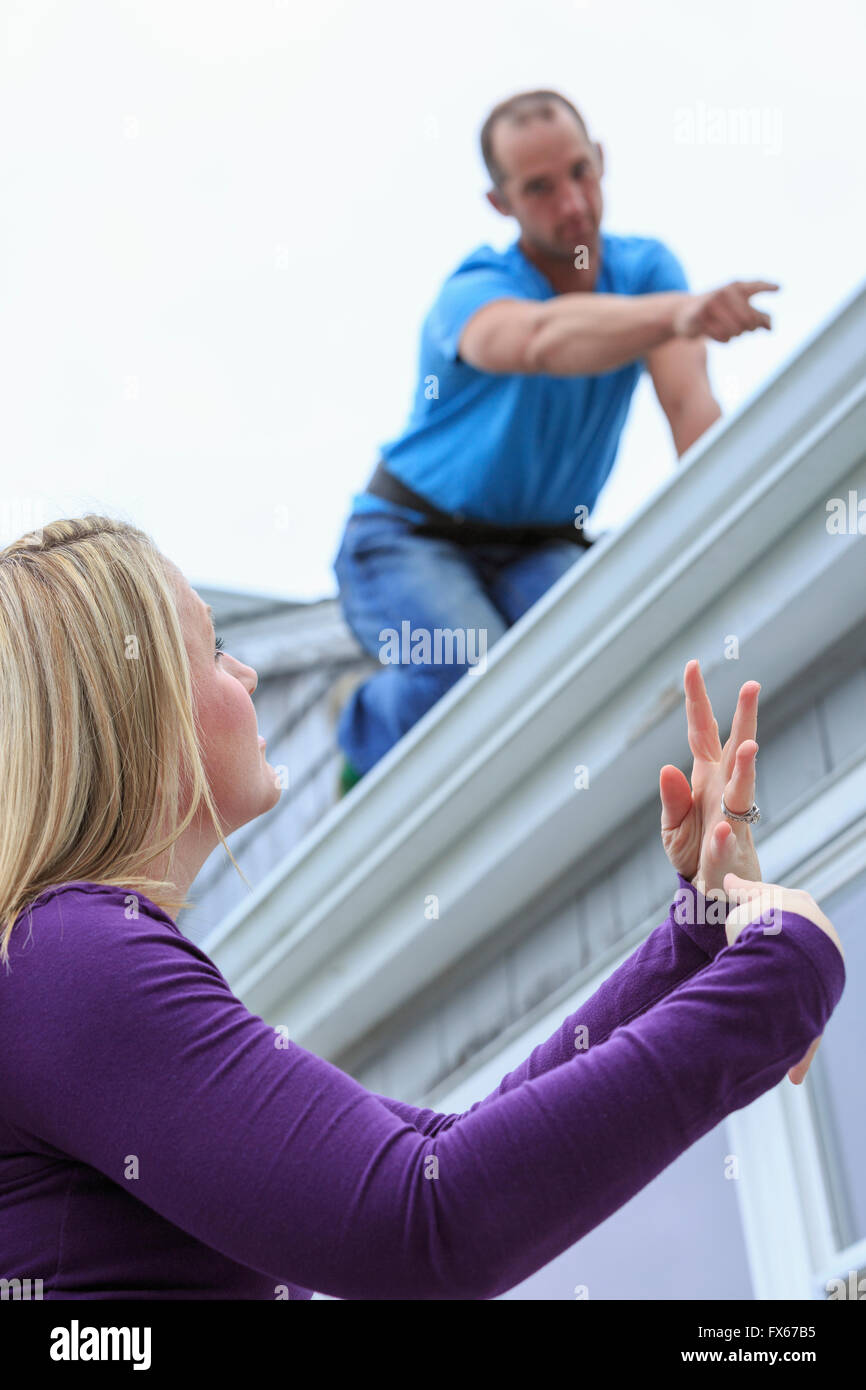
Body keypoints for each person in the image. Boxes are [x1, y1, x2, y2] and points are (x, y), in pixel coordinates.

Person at [0, 516, 843, 1300]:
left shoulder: (60, 965)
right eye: (216, 650)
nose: (247, 672)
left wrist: (700, 940)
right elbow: (424, 1225)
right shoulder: (68, 960)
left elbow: (443, 1156)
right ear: (136, 703)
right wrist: (784, 968)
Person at [333, 89, 779, 789]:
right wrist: (681, 312)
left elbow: (692, 410)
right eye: (539, 187)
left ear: (601, 160)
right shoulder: (473, 291)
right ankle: (364, 724)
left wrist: (740, 546)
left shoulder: (645, 274)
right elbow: (542, 339)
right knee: (474, 670)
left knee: (611, 656)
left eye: (580, 172)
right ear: (500, 202)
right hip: (409, 536)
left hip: (539, 545)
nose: (571, 203)